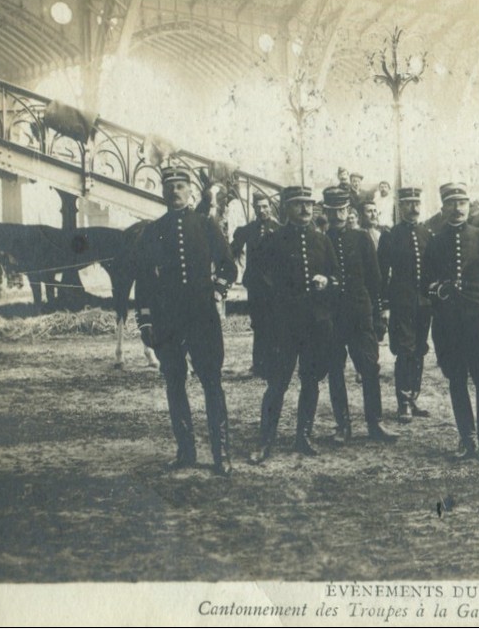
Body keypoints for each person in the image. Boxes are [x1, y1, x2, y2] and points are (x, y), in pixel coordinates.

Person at [133, 167, 238, 476]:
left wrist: (217, 291)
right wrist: (146, 320)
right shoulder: (152, 231)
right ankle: (186, 452)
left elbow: (228, 266)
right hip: (167, 320)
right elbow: (143, 280)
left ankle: (222, 455)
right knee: (175, 382)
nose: (175, 192)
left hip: (202, 316)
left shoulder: (206, 225)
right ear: (163, 192)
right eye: (170, 187)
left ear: (191, 191)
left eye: (180, 186)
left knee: (211, 382)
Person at [248, 186, 337, 464]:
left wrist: (327, 281)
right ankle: (266, 441)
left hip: (314, 325)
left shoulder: (322, 240)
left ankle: (304, 436)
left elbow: (336, 278)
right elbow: (254, 280)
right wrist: (267, 321)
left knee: (310, 381)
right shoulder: (272, 241)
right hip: (283, 326)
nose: (305, 210)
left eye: (309, 204)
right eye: (298, 204)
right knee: (278, 383)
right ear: (286, 208)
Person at [426, 182, 479, 464]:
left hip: (477, 319)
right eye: (451, 203)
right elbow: (424, 282)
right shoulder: (435, 241)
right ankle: (467, 439)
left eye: (462, 202)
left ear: (468, 205)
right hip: (447, 322)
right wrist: (436, 289)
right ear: (443, 208)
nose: (457, 208)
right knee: (456, 379)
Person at [322, 185, 398, 443]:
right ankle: (343, 426)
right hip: (332, 319)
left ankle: (375, 423)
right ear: (326, 211)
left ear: (349, 210)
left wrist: (378, 315)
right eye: (332, 210)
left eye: (342, 209)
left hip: (360, 316)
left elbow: (375, 281)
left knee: (369, 368)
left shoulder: (362, 239)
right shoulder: (321, 241)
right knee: (335, 370)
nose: (338, 215)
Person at [378, 187, 434, 423]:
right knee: (405, 350)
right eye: (409, 203)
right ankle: (403, 402)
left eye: (417, 203)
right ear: (400, 207)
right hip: (401, 302)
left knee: (420, 349)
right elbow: (382, 273)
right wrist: (384, 304)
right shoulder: (390, 235)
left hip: (424, 303)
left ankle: (413, 398)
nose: (414, 208)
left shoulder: (427, 233)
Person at [230, 193, 280, 378]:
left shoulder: (279, 229)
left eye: (265, 206)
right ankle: (258, 365)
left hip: (274, 287)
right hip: (255, 286)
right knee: (258, 324)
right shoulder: (248, 230)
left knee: (274, 324)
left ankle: (275, 365)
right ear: (254, 208)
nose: (262, 210)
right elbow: (233, 248)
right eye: (258, 207)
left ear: (270, 207)